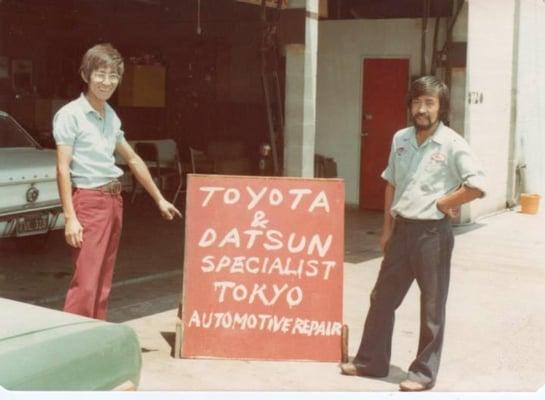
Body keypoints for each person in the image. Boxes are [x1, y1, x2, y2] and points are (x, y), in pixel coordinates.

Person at [340, 76, 486, 391]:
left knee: (432, 307)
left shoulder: (452, 144)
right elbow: (391, 182)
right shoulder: (401, 139)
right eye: (417, 102)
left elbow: (476, 185)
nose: (422, 109)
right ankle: (371, 361)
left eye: (429, 103)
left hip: (433, 235)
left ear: (441, 108)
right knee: (382, 298)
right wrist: (387, 229)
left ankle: (422, 373)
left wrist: (446, 201)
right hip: (401, 231)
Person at [53, 43, 181, 320]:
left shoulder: (110, 116)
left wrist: (159, 198)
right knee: (86, 283)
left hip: (113, 201)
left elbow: (133, 159)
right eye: (100, 74)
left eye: (113, 76)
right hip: (88, 201)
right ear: (85, 75)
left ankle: (95, 339)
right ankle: (72, 345)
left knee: (102, 283)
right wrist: (70, 217)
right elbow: (63, 168)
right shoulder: (70, 115)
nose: (106, 82)